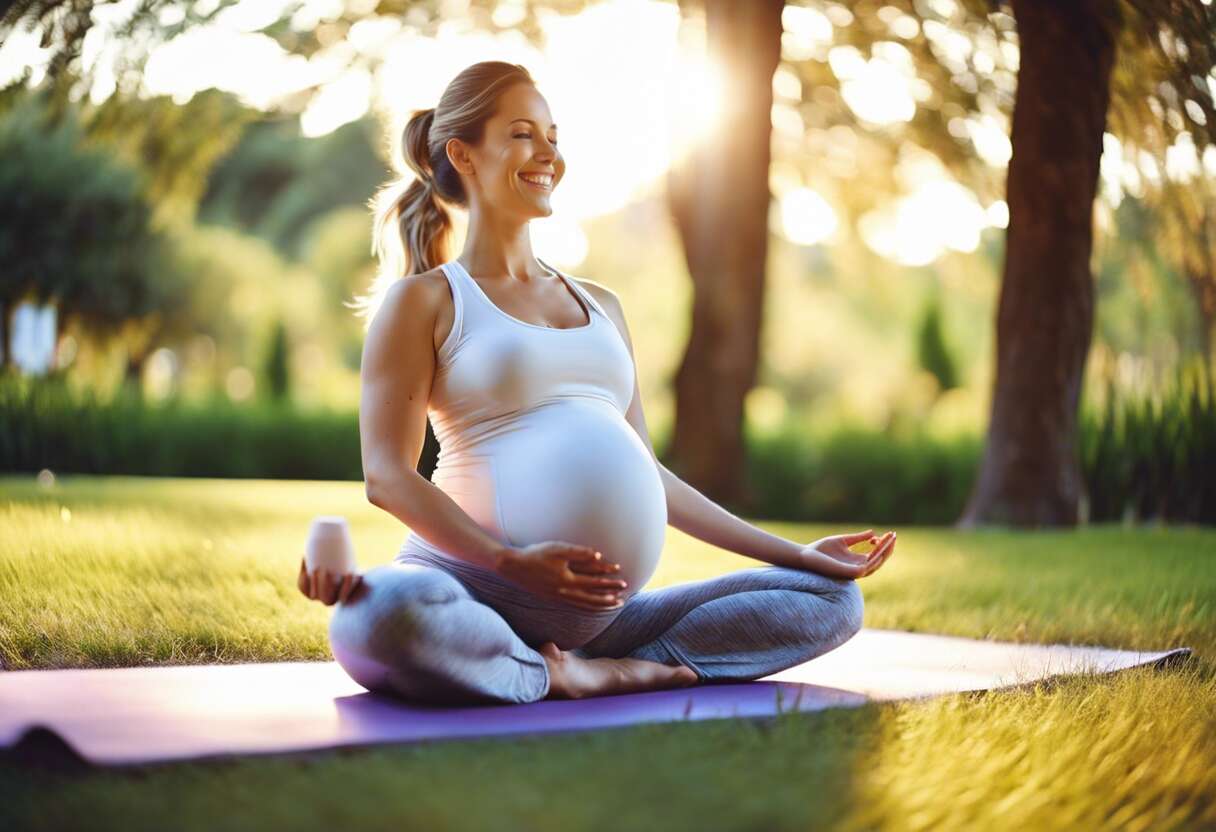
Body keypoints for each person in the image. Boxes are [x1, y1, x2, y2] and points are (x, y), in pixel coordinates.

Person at [297, 60, 897, 706]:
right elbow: (388, 475)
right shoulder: (425, 301)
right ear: (463, 155)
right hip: (469, 589)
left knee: (833, 602)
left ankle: (579, 665)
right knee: (381, 615)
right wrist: (509, 562)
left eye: (553, 134)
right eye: (523, 133)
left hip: (605, 616)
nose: (548, 152)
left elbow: (649, 474)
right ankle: (569, 673)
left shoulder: (603, 306)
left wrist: (800, 555)